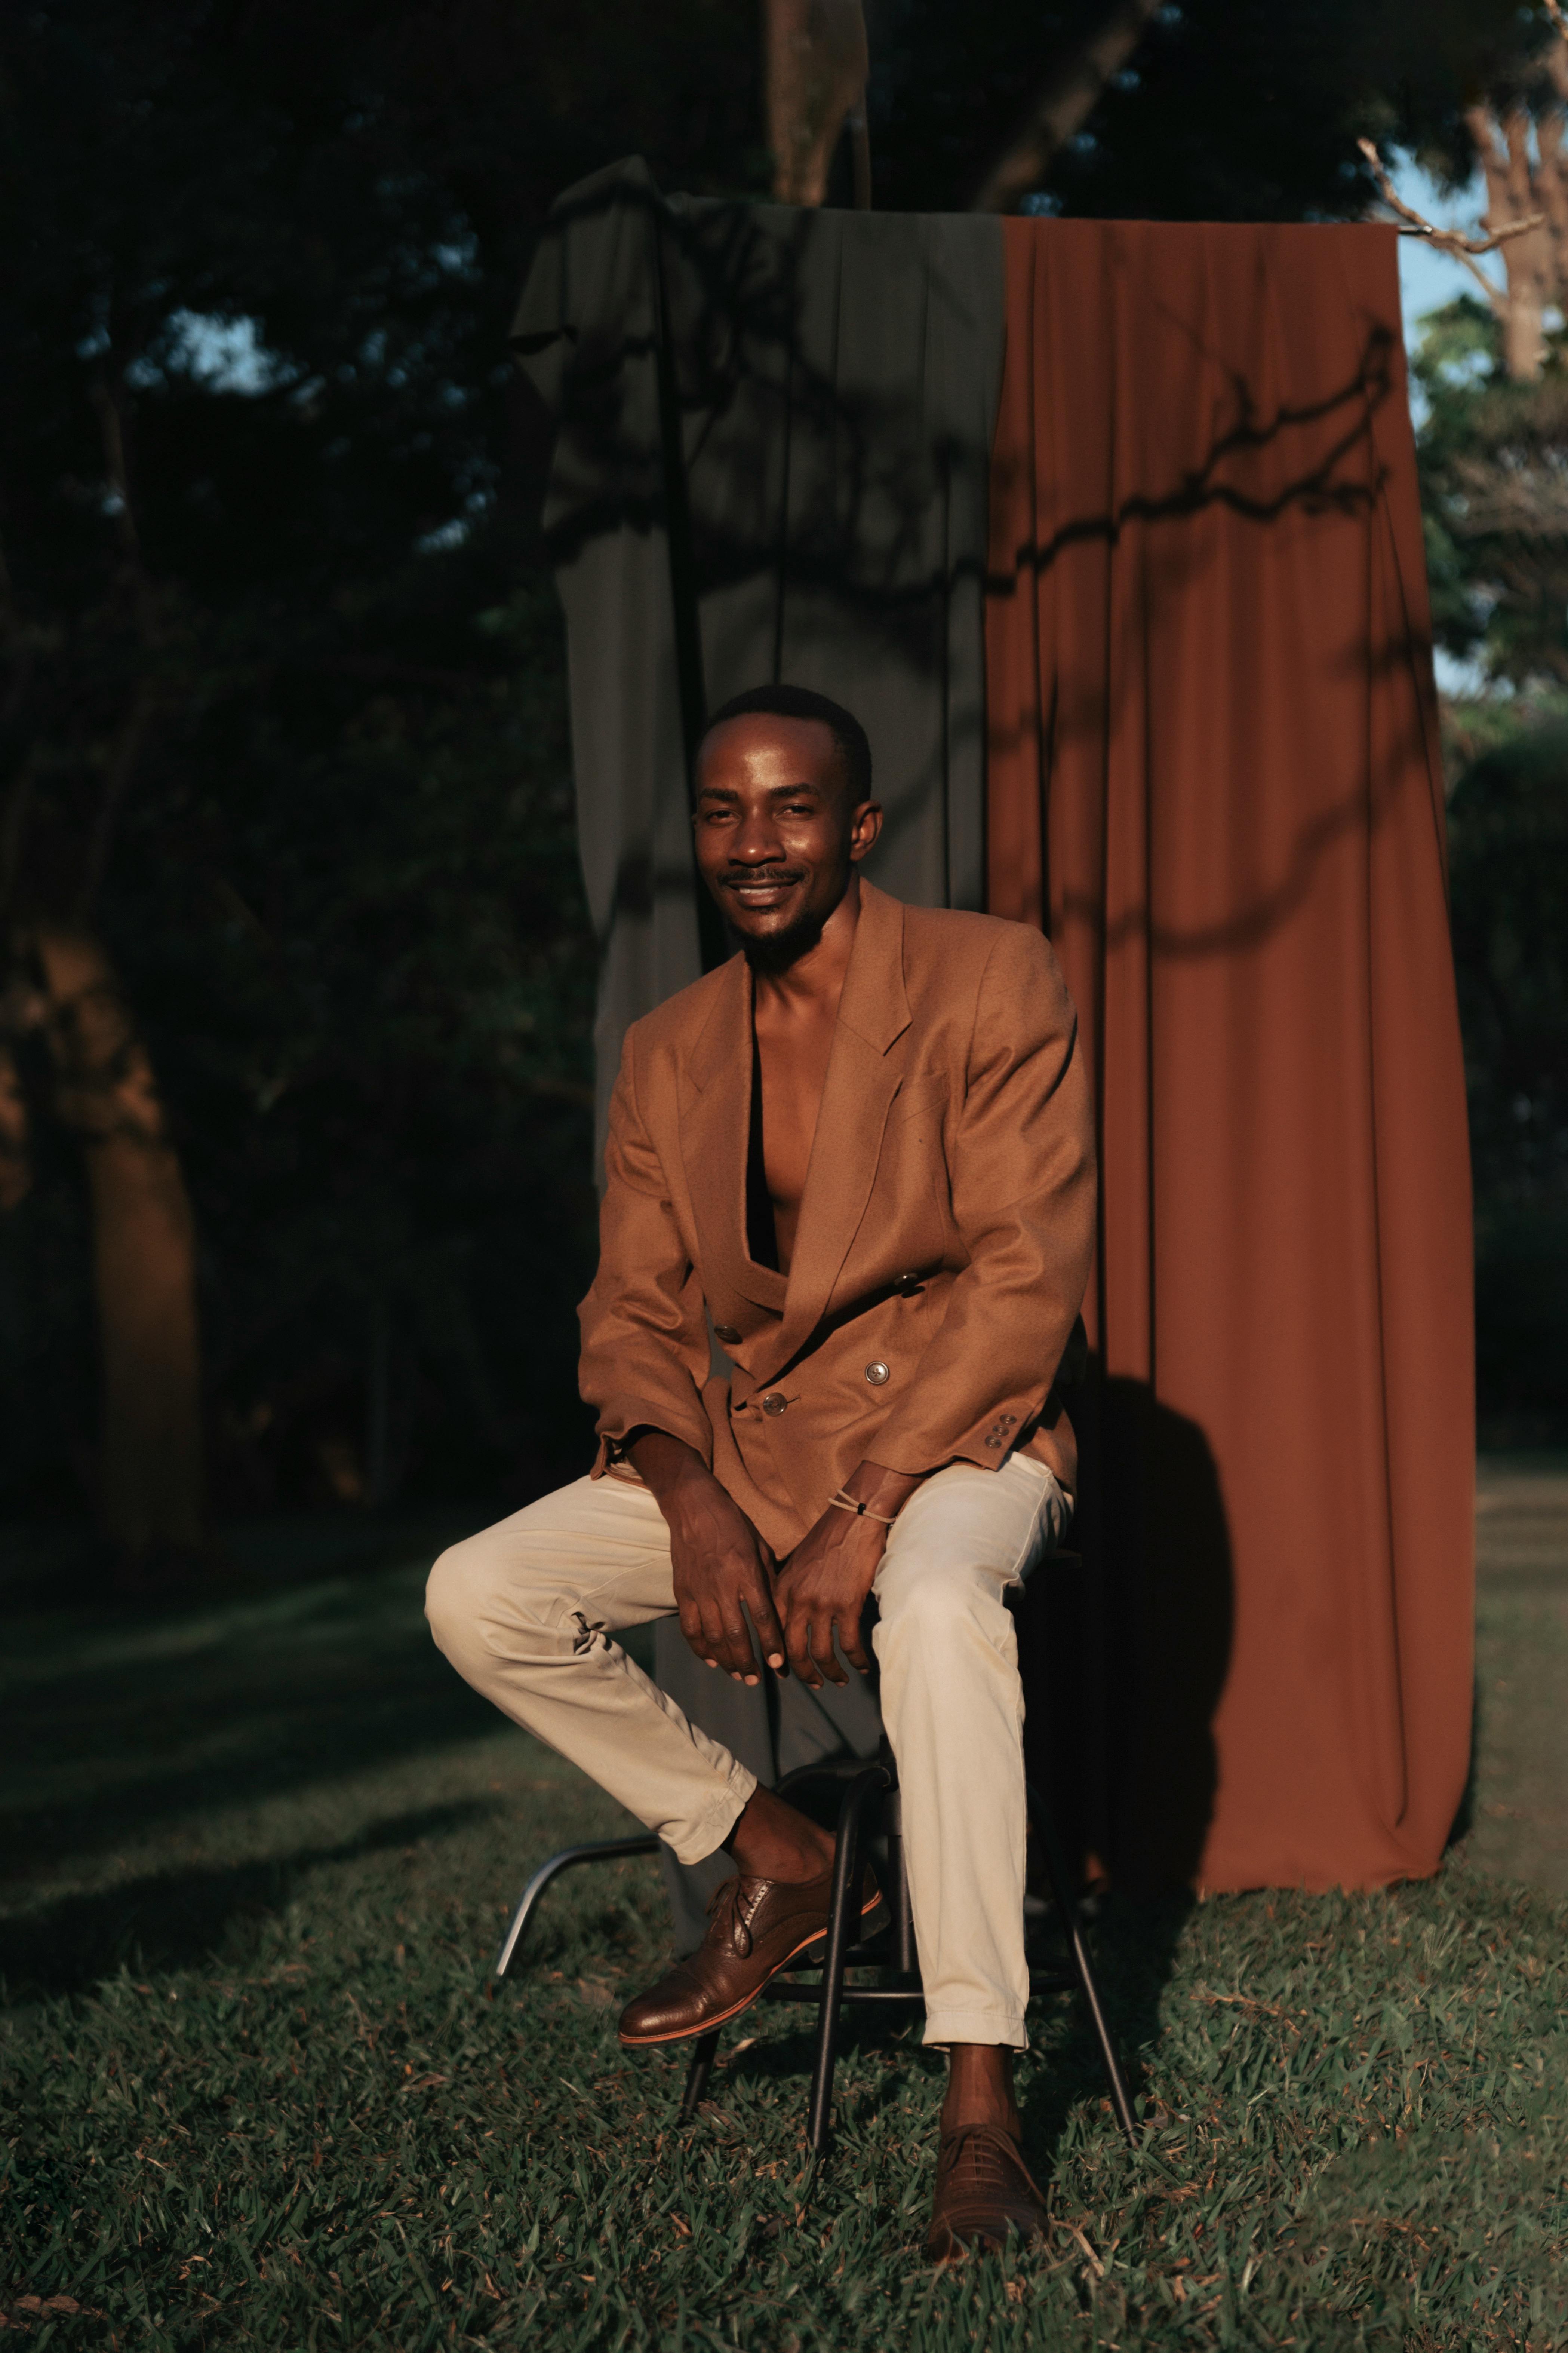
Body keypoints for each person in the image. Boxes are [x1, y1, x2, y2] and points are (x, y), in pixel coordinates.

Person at [426, 682, 1095, 2255]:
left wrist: (866, 1514)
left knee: (933, 1612)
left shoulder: (991, 977)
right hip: (760, 1448)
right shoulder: (669, 1054)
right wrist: (693, 1499)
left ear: (856, 826)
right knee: (480, 1593)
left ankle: (979, 2102)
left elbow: (1019, 1277)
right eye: (724, 810)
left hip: (966, 1425)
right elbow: (635, 1311)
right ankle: (771, 1853)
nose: (755, 840)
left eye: (792, 806)